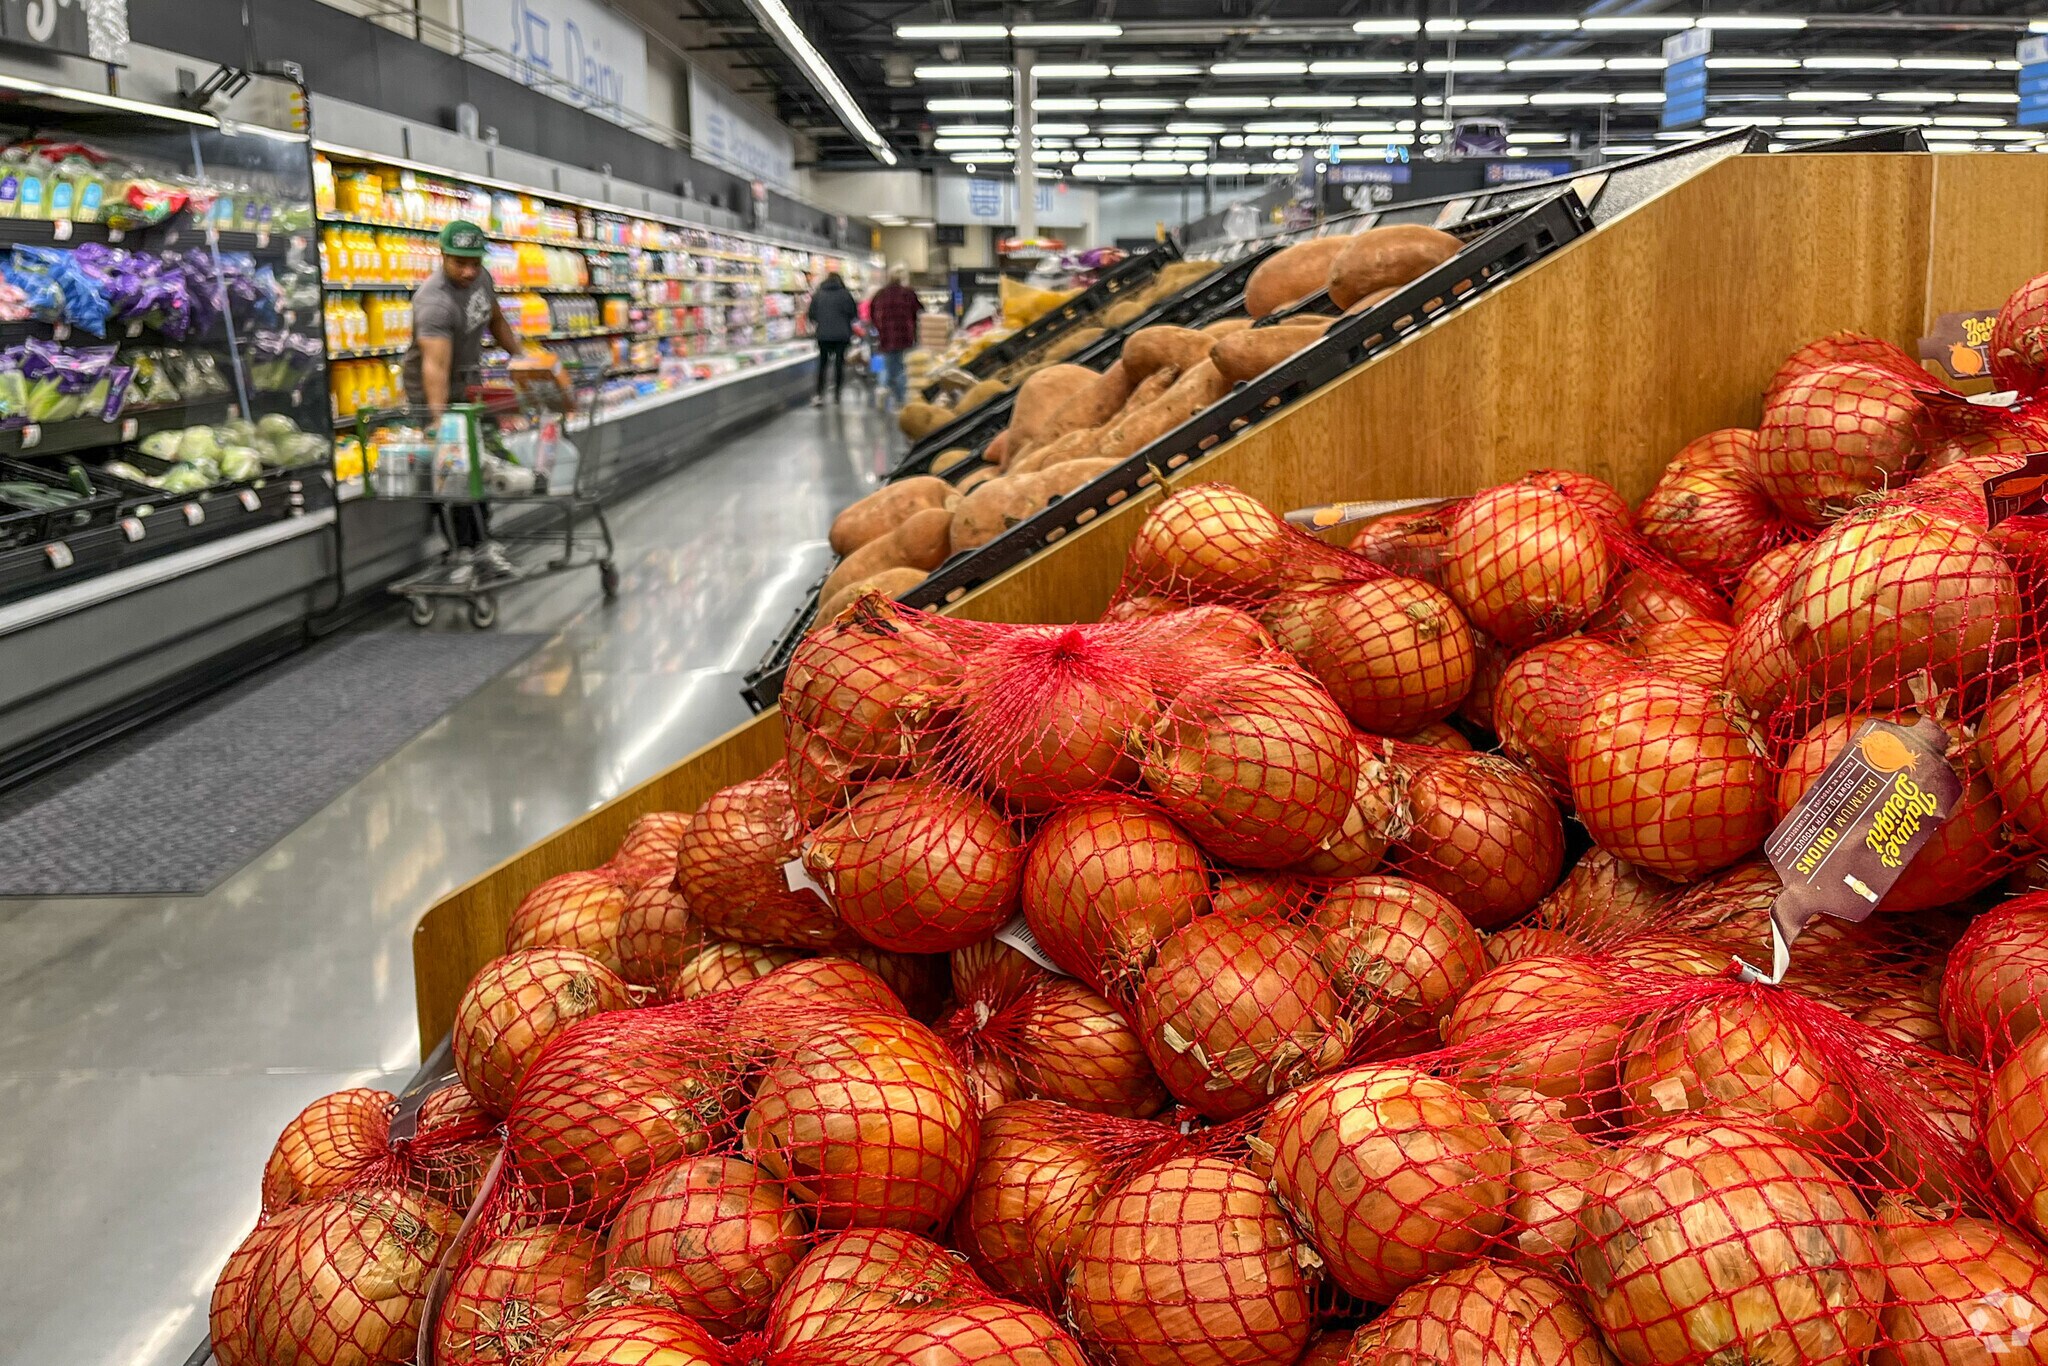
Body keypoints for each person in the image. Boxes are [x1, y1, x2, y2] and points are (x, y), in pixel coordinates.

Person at [401, 220, 533, 581]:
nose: (468, 271)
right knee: (453, 470)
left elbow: (496, 320)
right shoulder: (434, 301)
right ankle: (461, 550)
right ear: (443, 255)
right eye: (460, 263)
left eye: (475, 262)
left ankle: (482, 543)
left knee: (482, 464)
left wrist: (522, 359)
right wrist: (437, 421)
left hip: (469, 385)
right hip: (433, 390)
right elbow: (435, 366)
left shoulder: (481, 279)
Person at [867, 264, 922, 409]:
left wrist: (879, 328)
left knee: (887, 365)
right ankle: (900, 399)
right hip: (905, 336)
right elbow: (919, 310)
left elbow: (871, 312)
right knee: (902, 368)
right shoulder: (908, 293)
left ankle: (882, 388)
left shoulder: (880, 294)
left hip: (885, 337)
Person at [807, 271, 858, 406]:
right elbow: (853, 314)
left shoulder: (818, 295)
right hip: (842, 335)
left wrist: (822, 321)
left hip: (823, 335)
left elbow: (811, 315)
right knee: (839, 365)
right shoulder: (845, 295)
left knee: (823, 364)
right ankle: (837, 395)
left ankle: (819, 394)